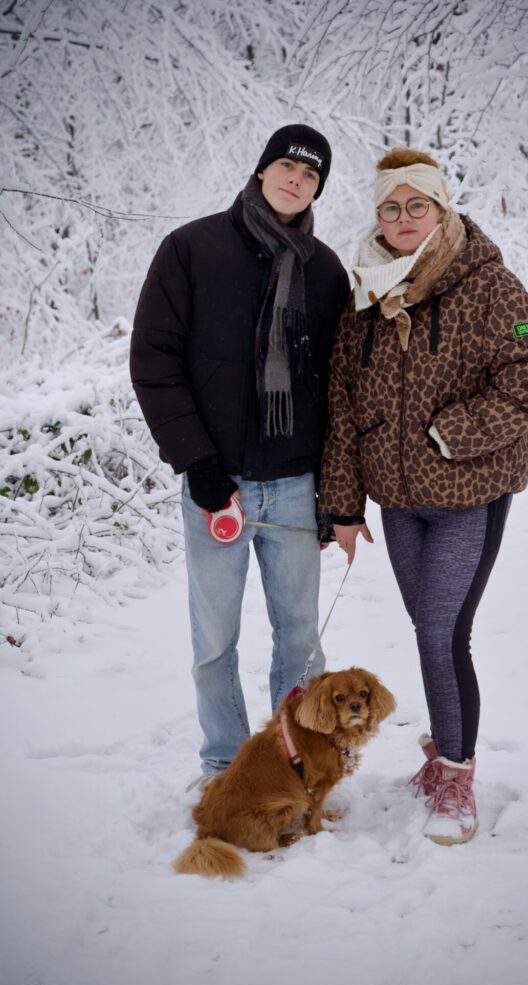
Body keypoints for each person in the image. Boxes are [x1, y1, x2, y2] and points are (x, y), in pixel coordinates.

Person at [318, 147, 528, 844]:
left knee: (442, 632)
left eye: (416, 203)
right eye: (389, 206)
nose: (402, 218)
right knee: (430, 634)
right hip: (398, 506)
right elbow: (342, 408)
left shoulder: (489, 286)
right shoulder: (364, 294)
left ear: (441, 207)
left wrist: (450, 435)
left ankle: (457, 774)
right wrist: (342, 504)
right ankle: (442, 754)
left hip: (467, 495)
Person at [130, 125, 349, 781]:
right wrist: (196, 462)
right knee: (214, 642)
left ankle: (296, 757)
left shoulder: (327, 271)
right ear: (261, 171)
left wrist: (333, 495)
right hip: (215, 485)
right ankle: (225, 761)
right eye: (286, 166)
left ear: (316, 189)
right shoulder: (191, 249)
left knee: (301, 642)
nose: (295, 180)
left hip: (293, 486)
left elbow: (342, 391)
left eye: (309, 176)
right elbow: (154, 360)